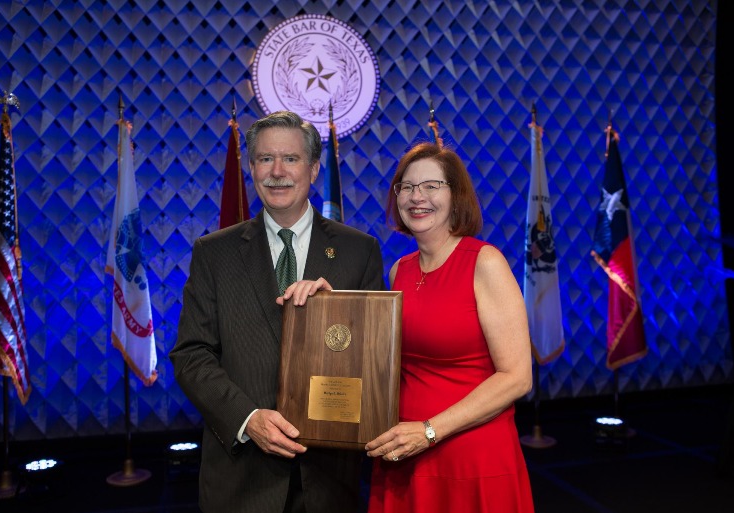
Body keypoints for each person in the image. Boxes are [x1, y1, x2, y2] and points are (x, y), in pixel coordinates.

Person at [169, 110, 386, 513]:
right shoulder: (213, 253)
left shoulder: (360, 251)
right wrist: (248, 419)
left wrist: (339, 311)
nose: (277, 171)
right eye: (265, 159)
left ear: (315, 168)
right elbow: (191, 354)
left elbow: (376, 359)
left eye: (291, 159)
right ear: (252, 168)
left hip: (329, 481)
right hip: (241, 480)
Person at [364, 142, 535, 512]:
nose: (416, 197)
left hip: (470, 457)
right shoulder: (399, 270)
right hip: (404, 453)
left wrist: (429, 431)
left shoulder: (484, 262)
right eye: (406, 187)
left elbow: (518, 377)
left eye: (431, 186)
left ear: (455, 197)